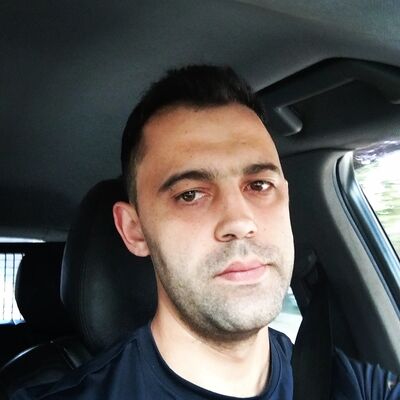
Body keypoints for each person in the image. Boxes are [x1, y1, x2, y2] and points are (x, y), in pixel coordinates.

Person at [11, 65, 399, 399]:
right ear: (135, 231)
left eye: (259, 185)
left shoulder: (353, 385)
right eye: (191, 194)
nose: (240, 221)